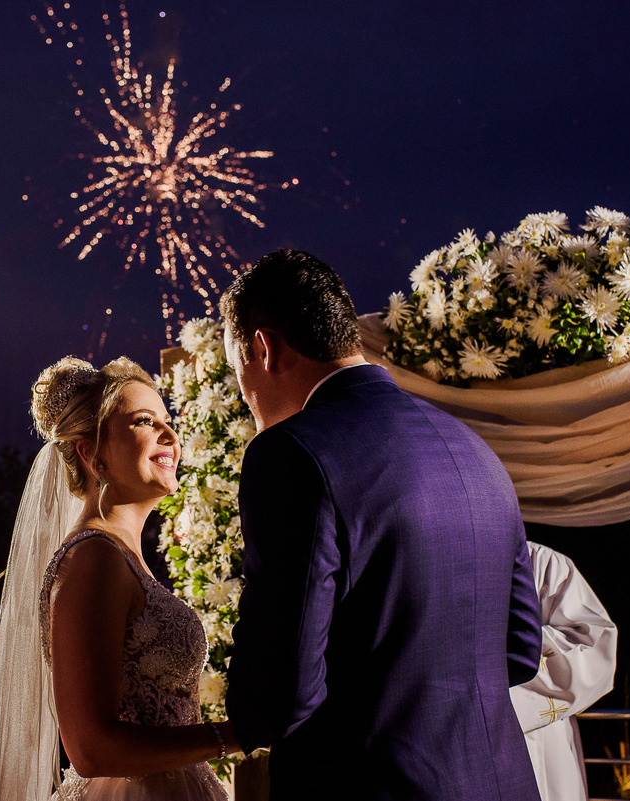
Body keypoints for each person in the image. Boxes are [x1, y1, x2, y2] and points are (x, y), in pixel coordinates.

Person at [220, 249, 544, 800]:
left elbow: (281, 696)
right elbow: (519, 650)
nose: (244, 393)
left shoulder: (291, 454)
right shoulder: (475, 451)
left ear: (263, 348)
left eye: (237, 371)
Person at [0, 356, 240, 801]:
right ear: (92, 453)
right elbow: (90, 748)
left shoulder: (120, 557)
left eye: (168, 420)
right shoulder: (92, 559)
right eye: (145, 422)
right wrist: (232, 735)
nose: (170, 435)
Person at [510, 542, 617, 801]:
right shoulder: (423, 561)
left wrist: (496, 658)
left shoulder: (542, 563)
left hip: (537, 742)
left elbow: (594, 649)